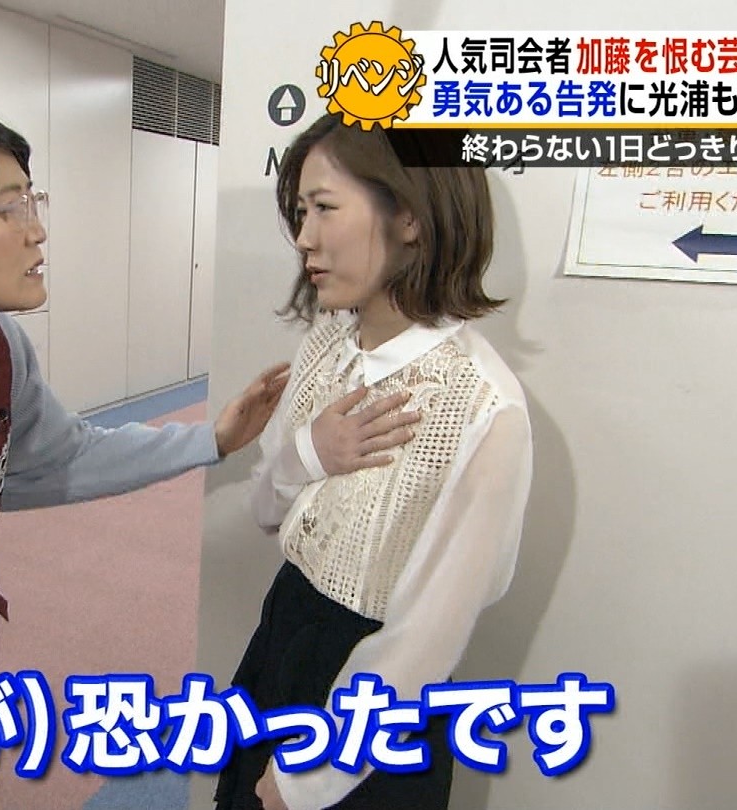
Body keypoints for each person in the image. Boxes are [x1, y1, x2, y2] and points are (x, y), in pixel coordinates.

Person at [0, 103, 418, 810]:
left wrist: (213, 439)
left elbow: (62, 457)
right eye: (11, 206)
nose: (37, 229)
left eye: (33, 200)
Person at [213, 114, 534, 810]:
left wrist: (304, 778)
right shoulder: (324, 347)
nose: (304, 238)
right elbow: (264, 509)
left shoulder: (484, 406)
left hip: (377, 712)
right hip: (283, 637)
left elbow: (427, 638)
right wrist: (310, 452)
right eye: (301, 212)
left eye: (325, 208)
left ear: (410, 216)